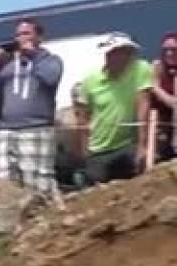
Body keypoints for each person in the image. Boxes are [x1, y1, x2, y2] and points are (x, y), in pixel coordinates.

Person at [0, 18, 63, 194]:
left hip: (36, 129)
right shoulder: (9, 66)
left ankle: (42, 218)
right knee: (5, 184)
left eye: (26, 33)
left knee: (36, 184)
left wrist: (33, 55)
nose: (21, 38)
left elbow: (51, 78)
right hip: (7, 130)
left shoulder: (50, 60)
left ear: (39, 37)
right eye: (18, 34)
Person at [72, 32, 156, 185]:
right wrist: (84, 152)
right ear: (108, 54)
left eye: (127, 52)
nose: (125, 56)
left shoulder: (140, 69)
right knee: (97, 193)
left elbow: (143, 106)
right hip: (98, 148)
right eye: (118, 52)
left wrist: (143, 145)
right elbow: (82, 118)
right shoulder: (90, 80)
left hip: (126, 144)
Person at [152, 31, 177, 166]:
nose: (169, 53)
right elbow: (154, 87)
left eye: (173, 50)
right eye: (166, 50)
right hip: (161, 115)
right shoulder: (158, 66)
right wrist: (170, 101)